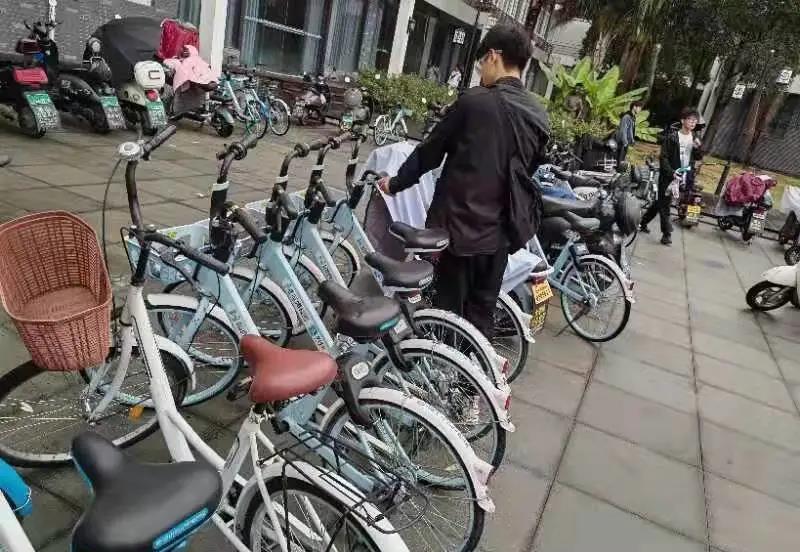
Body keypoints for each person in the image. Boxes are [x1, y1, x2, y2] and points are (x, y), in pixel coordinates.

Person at [377, 24, 550, 337]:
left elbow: (429, 153)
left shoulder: (474, 102)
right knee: (480, 318)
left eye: (482, 63)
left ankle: (446, 367)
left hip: (461, 233)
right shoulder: (538, 114)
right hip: (502, 235)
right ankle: (475, 367)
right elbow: (528, 169)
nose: (481, 71)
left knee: (449, 317)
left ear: (493, 56)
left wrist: (395, 183)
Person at [640, 107, 703, 246]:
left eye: (695, 121)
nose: (693, 123)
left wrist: (698, 148)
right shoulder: (672, 137)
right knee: (665, 204)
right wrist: (671, 172)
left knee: (660, 202)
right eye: (690, 120)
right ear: (683, 120)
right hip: (669, 176)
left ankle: (642, 222)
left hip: (684, 176)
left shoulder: (695, 138)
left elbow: (698, 157)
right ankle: (666, 234)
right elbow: (663, 157)